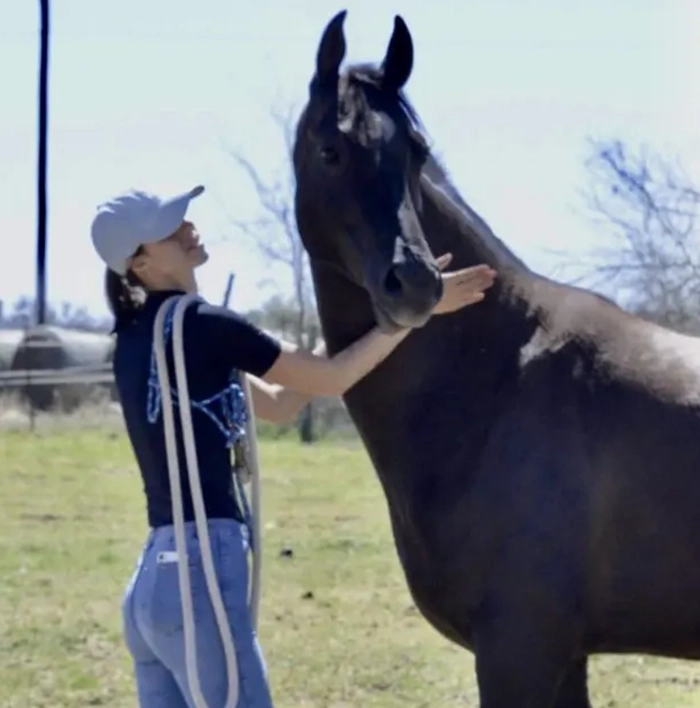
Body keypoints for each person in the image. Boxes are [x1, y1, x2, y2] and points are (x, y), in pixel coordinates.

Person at [90, 184, 496, 708]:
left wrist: (378, 314)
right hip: (201, 576)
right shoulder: (204, 326)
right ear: (140, 262)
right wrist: (414, 312)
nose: (188, 228)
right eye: (169, 230)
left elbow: (282, 402)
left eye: (183, 220)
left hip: (156, 581)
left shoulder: (139, 337)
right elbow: (331, 380)